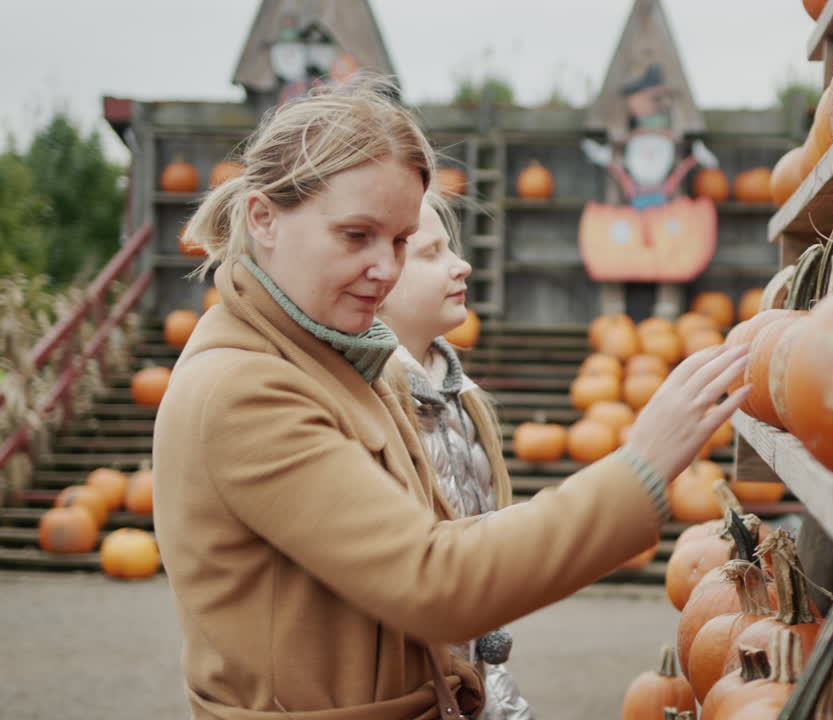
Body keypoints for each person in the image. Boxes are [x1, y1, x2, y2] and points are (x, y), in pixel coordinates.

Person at [152, 74, 749, 720]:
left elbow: (437, 545)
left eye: (403, 240)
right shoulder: (244, 390)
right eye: (357, 236)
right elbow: (434, 578)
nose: (387, 267)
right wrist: (640, 471)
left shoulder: (346, 358)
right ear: (262, 218)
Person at [376, 188, 532, 720]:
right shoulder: (371, 403)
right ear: (375, 279)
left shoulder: (466, 400)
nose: (461, 264)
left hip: (472, 682)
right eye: (432, 253)